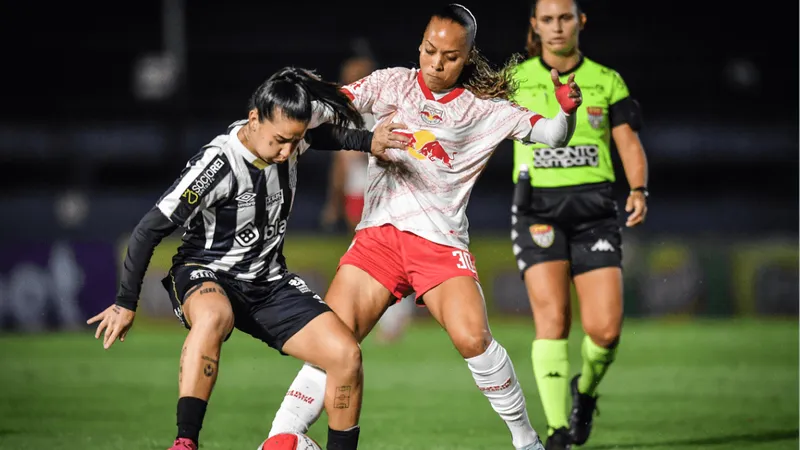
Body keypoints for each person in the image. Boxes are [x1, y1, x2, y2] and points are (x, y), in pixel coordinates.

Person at [267, 5, 582, 450]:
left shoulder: (484, 109)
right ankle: (279, 437)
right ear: (421, 44)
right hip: (378, 237)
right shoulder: (390, 82)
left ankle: (526, 441)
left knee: (474, 338)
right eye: (430, 50)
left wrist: (566, 113)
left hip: (439, 242)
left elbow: (551, 134)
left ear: (467, 57)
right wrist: (289, 111)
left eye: (450, 56)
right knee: (332, 342)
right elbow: (331, 107)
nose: (436, 62)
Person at [86, 67, 410, 450]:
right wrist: (126, 302)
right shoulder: (217, 164)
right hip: (206, 272)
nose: (288, 151)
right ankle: (185, 442)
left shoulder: (288, 136)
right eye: (280, 141)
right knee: (214, 316)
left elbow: (323, 136)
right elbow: (148, 229)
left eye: (295, 141)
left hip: (269, 283)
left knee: (346, 355)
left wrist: (368, 141)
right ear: (254, 119)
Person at [510, 1, 649, 449]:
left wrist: (638, 189)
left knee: (605, 331)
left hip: (595, 213)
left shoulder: (606, 80)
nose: (556, 27)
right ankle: (555, 433)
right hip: (537, 211)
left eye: (564, 18)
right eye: (547, 19)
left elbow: (628, 141)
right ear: (535, 25)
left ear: (580, 22)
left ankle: (584, 394)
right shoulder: (513, 80)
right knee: (552, 320)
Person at [320, 50, 417, 344]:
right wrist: (334, 201)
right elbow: (341, 163)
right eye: (351, 75)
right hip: (357, 190)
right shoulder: (349, 112)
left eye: (360, 74)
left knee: (388, 250)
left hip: (386, 189)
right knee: (368, 252)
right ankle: (383, 313)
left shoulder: (385, 109)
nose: (354, 80)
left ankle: (394, 313)